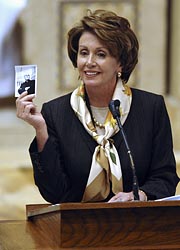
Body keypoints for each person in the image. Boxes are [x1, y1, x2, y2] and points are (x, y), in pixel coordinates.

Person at [16, 9, 179, 204]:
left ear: (120, 63)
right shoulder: (55, 113)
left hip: (138, 225)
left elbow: (165, 177)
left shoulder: (151, 108)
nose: (89, 62)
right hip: (77, 229)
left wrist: (140, 195)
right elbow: (54, 194)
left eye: (101, 54)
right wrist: (40, 129)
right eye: (84, 53)